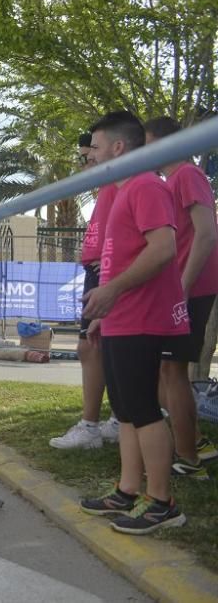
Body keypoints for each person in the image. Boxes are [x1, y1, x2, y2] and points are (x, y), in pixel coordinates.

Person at [80, 111, 189, 534]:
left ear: (119, 148)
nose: (90, 154)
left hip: (142, 316)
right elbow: (118, 259)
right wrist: (103, 313)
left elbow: (163, 248)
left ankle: (162, 502)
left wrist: (112, 292)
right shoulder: (124, 191)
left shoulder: (145, 185)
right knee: (125, 410)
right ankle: (127, 490)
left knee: (143, 409)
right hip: (121, 318)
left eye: (96, 145)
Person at [147, 116, 218, 476]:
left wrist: (184, 287)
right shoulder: (171, 181)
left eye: (147, 144)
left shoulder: (187, 175)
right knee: (166, 370)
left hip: (191, 289)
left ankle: (190, 459)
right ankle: (193, 441)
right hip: (180, 288)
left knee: (173, 371)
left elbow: (206, 234)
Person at [50, 131, 121, 449]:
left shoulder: (128, 181)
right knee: (93, 346)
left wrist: (108, 275)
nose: (87, 159)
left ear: (116, 148)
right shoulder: (109, 185)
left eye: (92, 150)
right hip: (98, 270)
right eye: (83, 154)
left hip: (106, 272)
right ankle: (109, 422)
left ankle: (95, 426)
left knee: (96, 347)